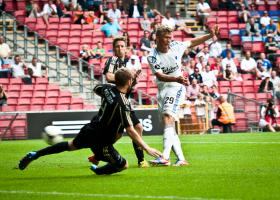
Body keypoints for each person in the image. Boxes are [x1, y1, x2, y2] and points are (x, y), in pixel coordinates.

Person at [18, 68, 162, 174]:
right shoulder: (123, 104)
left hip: (90, 129)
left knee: (70, 145)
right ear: (129, 82)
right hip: (103, 140)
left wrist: (118, 82)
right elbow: (131, 130)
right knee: (122, 165)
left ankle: (36, 154)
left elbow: (97, 88)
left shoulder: (108, 89)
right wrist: (147, 148)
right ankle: (99, 169)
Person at [147, 25, 219, 166]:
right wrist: (176, 78)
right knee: (169, 124)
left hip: (177, 87)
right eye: (166, 37)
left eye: (170, 37)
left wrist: (210, 35)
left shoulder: (176, 46)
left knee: (168, 117)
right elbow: (159, 76)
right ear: (158, 38)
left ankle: (165, 157)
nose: (169, 40)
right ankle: (181, 159)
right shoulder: (152, 56)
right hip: (163, 89)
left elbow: (192, 42)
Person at [101, 37, 149, 168]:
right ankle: (141, 160)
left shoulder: (124, 64)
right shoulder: (113, 60)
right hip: (116, 101)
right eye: (117, 46)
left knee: (119, 134)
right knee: (131, 129)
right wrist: (127, 77)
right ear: (114, 48)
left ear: (126, 49)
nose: (120, 48)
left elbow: (127, 86)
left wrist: (134, 80)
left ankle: (99, 153)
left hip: (124, 100)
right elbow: (109, 76)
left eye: (122, 46)